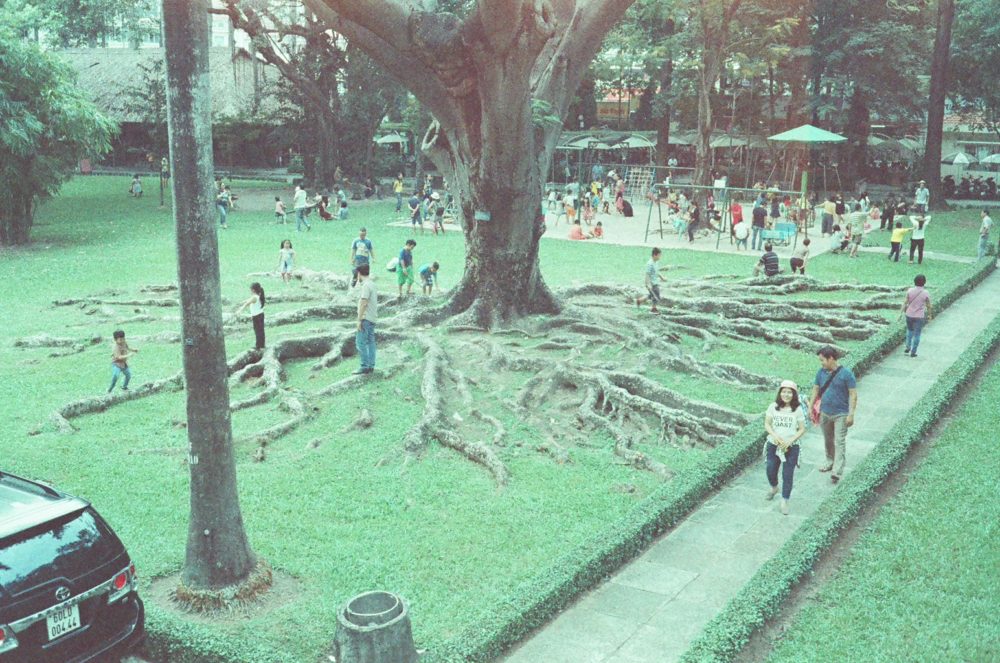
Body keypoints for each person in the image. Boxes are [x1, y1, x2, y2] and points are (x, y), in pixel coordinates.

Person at [810, 346, 858, 485]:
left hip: (841, 414)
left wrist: (851, 414)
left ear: (831, 358)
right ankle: (829, 460)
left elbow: (853, 394)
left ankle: (837, 471)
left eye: (822, 360)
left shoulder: (846, 374)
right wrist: (810, 406)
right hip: (825, 412)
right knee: (828, 439)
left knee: (839, 441)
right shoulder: (820, 372)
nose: (821, 363)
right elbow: (816, 389)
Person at [764, 380, 806, 515]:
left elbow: (801, 429)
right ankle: (774, 487)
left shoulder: (797, 410)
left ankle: (784, 500)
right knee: (770, 468)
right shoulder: (773, 407)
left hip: (791, 447)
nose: (786, 395)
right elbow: (767, 424)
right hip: (773, 444)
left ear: (793, 395)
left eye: (789, 392)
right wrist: (775, 436)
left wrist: (790, 441)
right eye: (784, 392)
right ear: (780, 393)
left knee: (787, 474)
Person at [354, 264, 377, 375]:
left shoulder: (366, 286)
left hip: (365, 318)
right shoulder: (372, 284)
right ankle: (371, 365)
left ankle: (364, 366)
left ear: (359, 273)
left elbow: (364, 302)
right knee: (370, 342)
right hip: (373, 318)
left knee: (360, 342)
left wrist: (359, 320)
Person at [902, 274, 932, 357]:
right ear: (924, 282)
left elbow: (905, 302)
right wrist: (930, 315)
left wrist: (901, 312)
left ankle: (908, 347)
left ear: (914, 281)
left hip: (909, 314)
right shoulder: (925, 292)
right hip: (919, 316)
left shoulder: (910, 290)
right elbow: (929, 305)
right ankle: (913, 352)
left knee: (909, 330)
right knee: (917, 334)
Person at [235, 282, 266, 350]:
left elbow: (247, 303)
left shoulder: (254, 297)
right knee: (261, 330)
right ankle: (262, 345)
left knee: (258, 331)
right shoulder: (258, 296)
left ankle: (258, 346)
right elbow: (247, 300)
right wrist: (241, 303)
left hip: (257, 316)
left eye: (250, 289)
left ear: (253, 290)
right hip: (260, 315)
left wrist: (240, 310)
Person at [635, 247, 666, 314]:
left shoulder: (656, 262)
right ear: (655, 255)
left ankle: (640, 300)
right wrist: (647, 283)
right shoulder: (650, 264)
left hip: (655, 281)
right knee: (656, 296)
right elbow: (647, 274)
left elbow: (656, 271)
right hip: (652, 283)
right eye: (659, 255)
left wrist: (661, 277)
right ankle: (653, 309)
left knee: (651, 295)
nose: (660, 257)